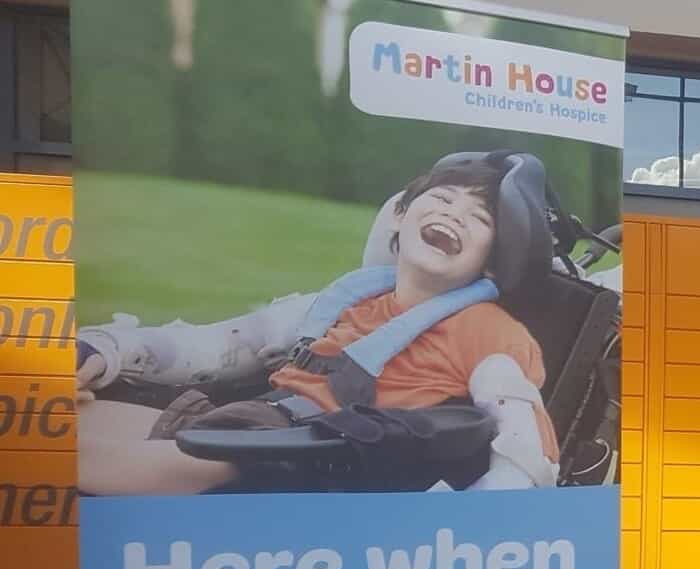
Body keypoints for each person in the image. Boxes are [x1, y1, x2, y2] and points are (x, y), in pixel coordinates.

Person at [72, 151, 560, 494]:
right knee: (54, 423)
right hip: (249, 421)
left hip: (299, 462)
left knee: (69, 460)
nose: (453, 215)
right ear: (403, 213)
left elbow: (526, 451)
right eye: (444, 199)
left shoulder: (488, 332)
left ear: (497, 260)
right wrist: (108, 351)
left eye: (479, 218)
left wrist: (471, 536)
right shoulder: (348, 299)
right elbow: (226, 343)